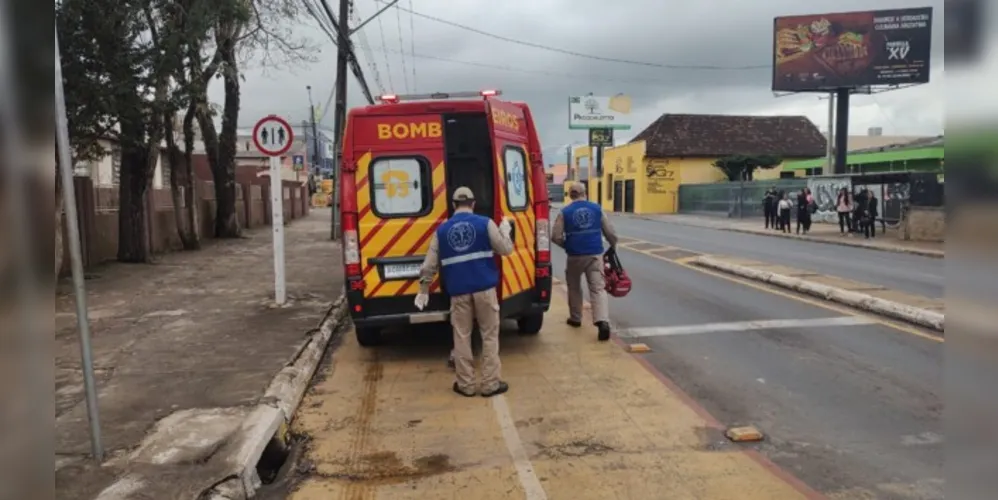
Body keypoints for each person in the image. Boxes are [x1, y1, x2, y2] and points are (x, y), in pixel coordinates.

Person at [415, 187, 514, 397]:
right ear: (473, 203)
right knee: (489, 336)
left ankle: (466, 385)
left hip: (459, 292)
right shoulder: (485, 223)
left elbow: (428, 265)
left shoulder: (441, 231)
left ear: (453, 205)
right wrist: (505, 231)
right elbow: (505, 250)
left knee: (461, 336)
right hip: (485, 290)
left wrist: (424, 290)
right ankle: (490, 385)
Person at [551, 182, 619, 341]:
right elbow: (610, 232)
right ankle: (602, 321)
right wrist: (613, 244)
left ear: (570, 195)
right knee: (597, 288)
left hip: (574, 256)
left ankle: (576, 318)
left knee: (574, 287)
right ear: (585, 193)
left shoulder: (565, 212)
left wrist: (567, 245)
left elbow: (555, 236)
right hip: (595, 254)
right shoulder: (597, 209)